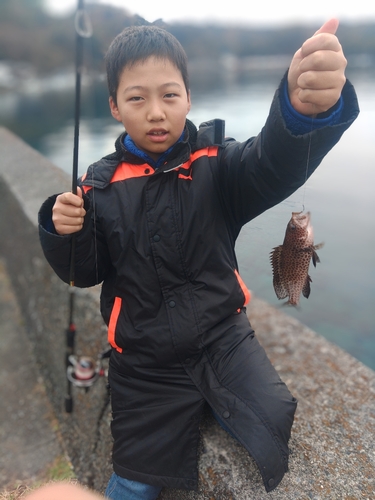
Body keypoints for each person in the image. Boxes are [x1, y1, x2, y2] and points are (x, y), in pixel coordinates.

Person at [38, 19, 359, 500]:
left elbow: (270, 163)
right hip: (143, 364)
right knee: (133, 479)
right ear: (114, 107)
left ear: (188, 97)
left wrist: (303, 113)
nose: (156, 112)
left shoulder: (218, 165)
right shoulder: (96, 188)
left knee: (274, 420)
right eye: (137, 98)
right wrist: (62, 228)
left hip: (224, 341)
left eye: (169, 95)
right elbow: (82, 271)